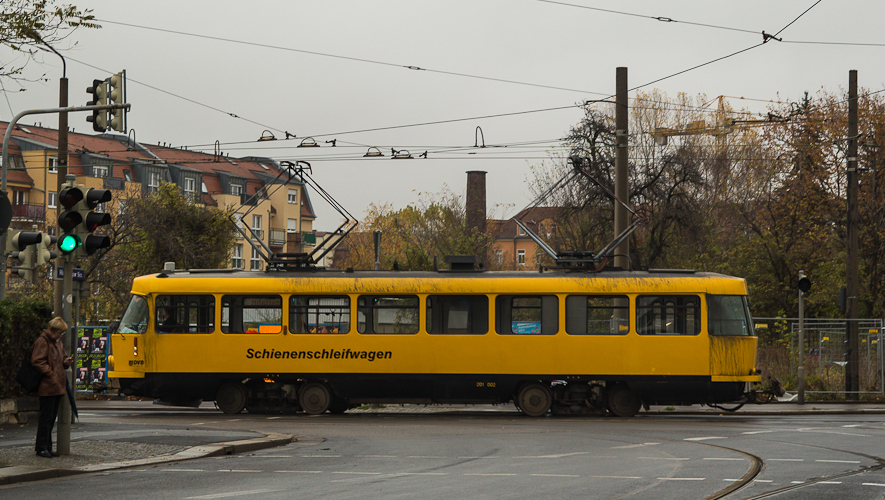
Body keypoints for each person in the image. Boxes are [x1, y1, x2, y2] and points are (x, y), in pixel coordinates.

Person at [30, 317, 73, 458]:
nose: (61, 335)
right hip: (48, 385)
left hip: (56, 385)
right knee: (46, 418)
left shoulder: (56, 342)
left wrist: (65, 362)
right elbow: (37, 361)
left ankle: (47, 446)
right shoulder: (43, 341)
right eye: (60, 332)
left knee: (50, 418)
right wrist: (51, 374)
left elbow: (60, 359)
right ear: (54, 330)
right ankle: (41, 447)